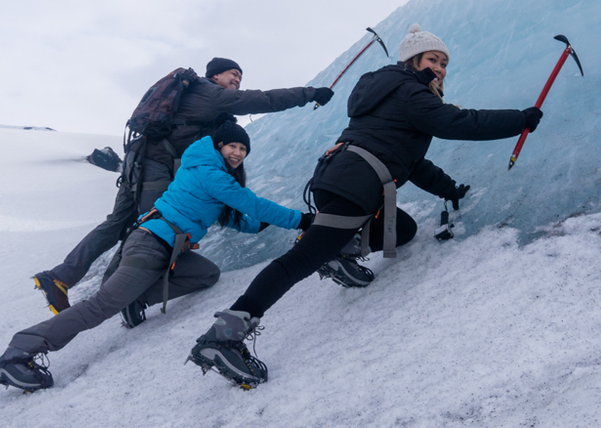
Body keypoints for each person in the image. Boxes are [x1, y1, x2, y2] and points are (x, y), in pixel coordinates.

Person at [187, 24, 544, 388]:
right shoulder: (410, 91)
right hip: (355, 184)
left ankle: (337, 252)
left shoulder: (391, 92)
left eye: (445, 63)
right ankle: (223, 337)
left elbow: (411, 162)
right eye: (433, 59)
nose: (440, 68)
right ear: (413, 60)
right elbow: (457, 122)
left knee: (401, 230)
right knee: (300, 260)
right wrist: (519, 119)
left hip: (341, 177)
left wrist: (448, 189)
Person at [0, 119, 315, 392]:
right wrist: (301, 220)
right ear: (218, 146)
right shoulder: (208, 172)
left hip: (168, 249)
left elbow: (234, 215)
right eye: (233, 146)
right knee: (99, 307)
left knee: (206, 274)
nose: (238, 153)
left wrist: (258, 227)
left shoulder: (211, 176)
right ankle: (19, 351)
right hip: (150, 245)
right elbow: (252, 204)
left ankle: (138, 299)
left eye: (243, 149)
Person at [32, 57, 334, 315]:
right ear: (215, 75)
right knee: (150, 226)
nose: (237, 81)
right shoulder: (209, 91)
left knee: (119, 223)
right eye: (233, 75)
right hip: (155, 165)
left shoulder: (199, 100)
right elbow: (260, 100)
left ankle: (60, 277)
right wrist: (309, 94)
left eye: (240, 77)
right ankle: (114, 297)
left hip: (139, 160)